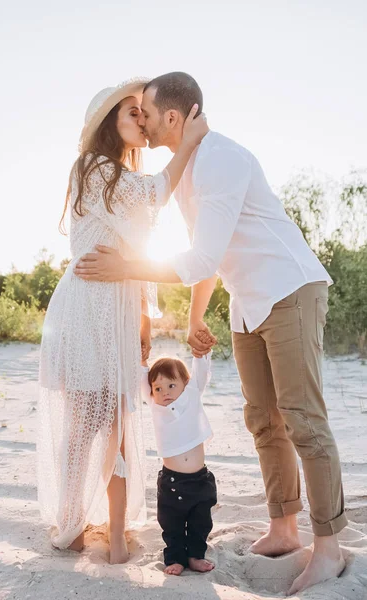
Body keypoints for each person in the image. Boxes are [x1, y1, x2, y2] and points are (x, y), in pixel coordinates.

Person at [74, 72, 347, 592]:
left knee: (303, 421)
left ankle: (329, 545)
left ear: (173, 117)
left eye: (147, 115)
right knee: (263, 421)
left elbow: (199, 256)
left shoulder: (219, 158)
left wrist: (126, 266)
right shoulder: (189, 169)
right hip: (249, 301)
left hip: (289, 288)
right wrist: (198, 317)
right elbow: (210, 254)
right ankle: (285, 528)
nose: (143, 124)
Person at [37, 76, 208, 564]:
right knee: (89, 424)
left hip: (116, 309)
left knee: (114, 420)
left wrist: (144, 321)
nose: (141, 118)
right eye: (131, 111)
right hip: (86, 306)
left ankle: (111, 534)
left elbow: (135, 254)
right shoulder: (92, 167)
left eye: (142, 111)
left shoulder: (118, 178)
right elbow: (157, 193)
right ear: (107, 121)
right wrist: (189, 142)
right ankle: (79, 527)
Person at [141, 353, 217, 576]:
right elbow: (142, 379)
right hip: (171, 482)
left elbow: (201, 372)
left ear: (186, 383)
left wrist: (199, 353)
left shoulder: (192, 395)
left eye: (172, 385)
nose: (165, 393)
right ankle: (175, 558)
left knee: (200, 522)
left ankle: (195, 556)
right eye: (158, 389)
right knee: (171, 524)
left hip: (200, 480)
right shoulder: (157, 407)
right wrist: (142, 359)